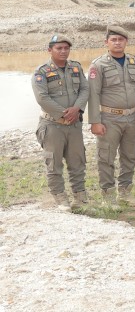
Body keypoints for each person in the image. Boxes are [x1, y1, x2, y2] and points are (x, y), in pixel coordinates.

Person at [88, 25, 135, 209]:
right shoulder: (98, 65)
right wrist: (95, 121)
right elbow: (93, 94)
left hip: (131, 118)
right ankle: (108, 197)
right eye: (114, 40)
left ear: (126, 42)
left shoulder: (133, 62)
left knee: (129, 156)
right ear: (106, 43)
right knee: (106, 157)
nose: (118, 43)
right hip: (109, 118)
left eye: (121, 40)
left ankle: (125, 193)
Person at [32, 34, 89, 212]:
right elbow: (42, 98)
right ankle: (60, 198)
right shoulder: (41, 72)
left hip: (74, 125)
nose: (63, 51)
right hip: (52, 126)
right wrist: (64, 114)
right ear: (50, 50)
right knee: (54, 163)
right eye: (59, 48)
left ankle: (80, 198)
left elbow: (85, 88)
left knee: (77, 162)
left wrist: (77, 109)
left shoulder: (76, 68)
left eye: (66, 48)